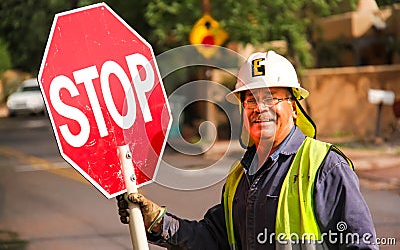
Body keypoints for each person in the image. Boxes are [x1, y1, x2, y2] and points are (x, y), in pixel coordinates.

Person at [117, 51, 378, 249]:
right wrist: (156, 222)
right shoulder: (239, 178)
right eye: (250, 99)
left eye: (271, 97)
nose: (259, 107)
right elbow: (213, 238)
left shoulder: (325, 167)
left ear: (294, 108)